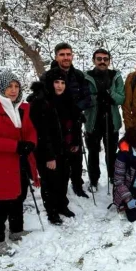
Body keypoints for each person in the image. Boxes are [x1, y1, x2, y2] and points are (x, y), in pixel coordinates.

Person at [0, 70, 39, 256]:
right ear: (1, 88)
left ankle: (17, 230)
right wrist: (15, 146)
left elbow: (31, 130)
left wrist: (31, 143)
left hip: (20, 161)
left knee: (19, 196)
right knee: (3, 202)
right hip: (1, 164)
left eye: (16, 86)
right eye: (9, 86)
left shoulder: (23, 107)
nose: (13, 90)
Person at [27, 68, 82, 225]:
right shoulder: (39, 102)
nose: (60, 86)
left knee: (64, 177)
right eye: (56, 82)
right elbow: (41, 133)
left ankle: (62, 205)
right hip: (47, 150)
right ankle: (52, 212)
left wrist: (76, 141)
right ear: (49, 83)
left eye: (62, 82)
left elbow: (74, 122)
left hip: (64, 146)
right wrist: (49, 156)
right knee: (50, 181)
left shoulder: (66, 98)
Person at [43, 43, 93, 198]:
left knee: (76, 157)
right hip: (55, 125)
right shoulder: (48, 76)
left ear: (72, 56)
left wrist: (75, 109)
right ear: (56, 56)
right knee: (59, 158)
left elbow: (88, 99)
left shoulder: (78, 75)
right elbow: (42, 100)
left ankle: (77, 184)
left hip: (74, 122)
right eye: (62, 54)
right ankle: (58, 192)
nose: (66, 57)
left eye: (68, 54)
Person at [84, 48, 125, 191]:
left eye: (105, 59)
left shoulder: (115, 76)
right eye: (99, 59)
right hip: (93, 122)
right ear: (93, 60)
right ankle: (94, 180)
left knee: (112, 152)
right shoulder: (86, 77)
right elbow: (83, 98)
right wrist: (96, 98)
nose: (102, 62)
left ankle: (113, 177)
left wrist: (110, 94)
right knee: (93, 153)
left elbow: (121, 98)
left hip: (111, 120)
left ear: (109, 60)